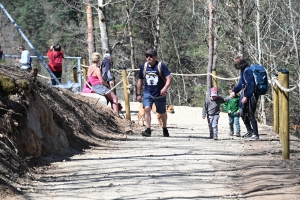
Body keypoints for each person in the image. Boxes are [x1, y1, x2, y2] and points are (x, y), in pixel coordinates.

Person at [137, 48, 172, 137]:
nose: (148, 58)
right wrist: (138, 94)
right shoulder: (144, 67)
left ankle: (164, 128)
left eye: (151, 56)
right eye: (147, 56)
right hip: (148, 93)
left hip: (160, 94)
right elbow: (140, 81)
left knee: (162, 112)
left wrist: (165, 88)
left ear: (155, 57)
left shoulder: (161, 66)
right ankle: (148, 129)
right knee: (147, 108)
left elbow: (169, 78)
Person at [230, 56, 259, 141]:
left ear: (241, 64)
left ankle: (256, 134)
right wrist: (234, 91)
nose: (236, 67)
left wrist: (246, 96)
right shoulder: (243, 71)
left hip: (251, 95)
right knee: (242, 113)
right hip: (245, 94)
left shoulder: (248, 71)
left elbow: (251, 85)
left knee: (251, 114)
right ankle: (249, 130)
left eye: (237, 65)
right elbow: (240, 84)